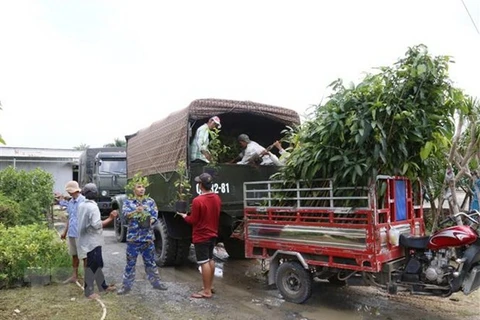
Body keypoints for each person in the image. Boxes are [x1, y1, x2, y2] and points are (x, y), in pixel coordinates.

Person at [117, 177, 167, 295]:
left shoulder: (150, 201)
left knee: (150, 262)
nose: (141, 189)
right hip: (133, 239)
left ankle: (156, 283)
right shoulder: (128, 202)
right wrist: (136, 211)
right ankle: (126, 286)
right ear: (134, 190)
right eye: (139, 187)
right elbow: (125, 215)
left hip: (147, 238)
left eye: (143, 187)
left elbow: (155, 215)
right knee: (130, 263)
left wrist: (151, 221)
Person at [177, 172, 221, 299]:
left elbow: (193, 220)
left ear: (201, 185)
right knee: (210, 259)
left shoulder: (198, 200)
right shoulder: (217, 198)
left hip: (201, 235)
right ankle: (210, 286)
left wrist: (185, 216)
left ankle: (206, 291)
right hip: (213, 233)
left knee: (203, 262)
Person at [77, 183, 118, 299]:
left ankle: (102, 286)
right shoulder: (93, 207)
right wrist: (110, 217)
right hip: (92, 241)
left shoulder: (82, 205)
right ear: (96, 194)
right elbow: (96, 225)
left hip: (86, 239)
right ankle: (88, 292)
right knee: (92, 265)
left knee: (98, 263)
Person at [60, 180, 85, 284]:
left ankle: (87, 277)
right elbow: (70, 218)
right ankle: (74, 276)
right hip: (72, 232)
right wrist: (65, 232)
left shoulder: (83, 201)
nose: (69, 193)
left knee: (84, 256)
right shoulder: (70, 202)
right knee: (74, 255)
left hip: (81, 233)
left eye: (70, 191)